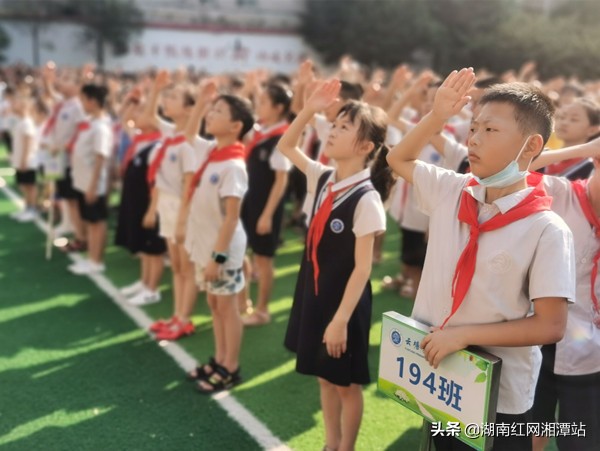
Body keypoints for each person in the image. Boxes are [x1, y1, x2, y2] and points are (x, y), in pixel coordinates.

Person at [386, 68, 576, 451]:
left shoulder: (547, 229)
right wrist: (437, 115)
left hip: (500, 398)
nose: (473, 139)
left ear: (531, 145)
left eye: (490, 130)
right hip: (441, 377)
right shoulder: (452, 189)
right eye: (473, 128)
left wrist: (465, 335)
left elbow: (550, 325)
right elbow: (398, 157)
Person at [281, 80, 393, 451]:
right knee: (323, 378)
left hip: (344, 305)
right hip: (314, 293)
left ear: (365, 147)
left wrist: (341, 320)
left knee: (346, 384)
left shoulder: (367, 199)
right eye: (335, 124)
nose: (333, 130)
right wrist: (310, 108)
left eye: (345, 127)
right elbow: (287, 145)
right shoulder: (323, 177)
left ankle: (346, 448)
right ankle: (330, 444)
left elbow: (363, 270)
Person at [524, 139, 600, 451]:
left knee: (581, 440)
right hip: (533, 335)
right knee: (527, 428)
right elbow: (505, 168)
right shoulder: (559, 193)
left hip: (591, 355)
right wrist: (582, 150)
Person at [183, 88, 254, 394]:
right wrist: (200, 104)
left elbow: (231, 218)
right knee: (214, 304)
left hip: (222, 252)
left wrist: (218, 257)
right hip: (207, 247)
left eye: (218, 111)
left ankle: (231, 366)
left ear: (236, 126)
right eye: (211, 110)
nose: (210, 115)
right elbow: (188, 134)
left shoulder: (233, 166)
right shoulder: (212, 151)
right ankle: (219, 358)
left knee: (227, 308)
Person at [138, 71, 199, 340]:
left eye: (173, 97)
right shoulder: (171, 133)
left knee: (187, 267)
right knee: (175, 266)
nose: (167, 101)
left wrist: (183, 219)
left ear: (189, 108)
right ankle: (176, 315)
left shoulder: (188, 142)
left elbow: (189, 183)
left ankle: (184, 319)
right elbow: (148, 118)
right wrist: (155, 90)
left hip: (181, 207)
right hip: (167, 205)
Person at [241, 83, 292, 326]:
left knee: (263, 259)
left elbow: (281, 182)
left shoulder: (281, 139)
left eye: (263, 102)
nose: (258, 107)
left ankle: (262, 310)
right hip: (248, 202)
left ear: (278, 108)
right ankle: (244, 302)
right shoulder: (261, 132)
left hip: (266, 207)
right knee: (242, 251)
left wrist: (267, 215)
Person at [114, 90, 166, 306]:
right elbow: (124, 120)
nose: (138, 115)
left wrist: (152, 209)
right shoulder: (141, 139)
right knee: (144, 248)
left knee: (153, 249)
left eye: (144, 111)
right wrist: (130, 102)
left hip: (150, 203)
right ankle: (144, 282)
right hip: (136, 200)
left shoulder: (159, 143)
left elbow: (159, 183)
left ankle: (153, 288)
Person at [67, 84, 113, 275]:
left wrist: (93, 186)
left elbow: (100, 157)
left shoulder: (101, 127)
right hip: (82, 181)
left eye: (83, 99)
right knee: (89, 221)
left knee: (96, 223)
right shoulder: (90, 121)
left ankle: (96, 261)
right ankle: (91, 258)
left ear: (92, 101)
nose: (81, 104)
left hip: (93, 184)